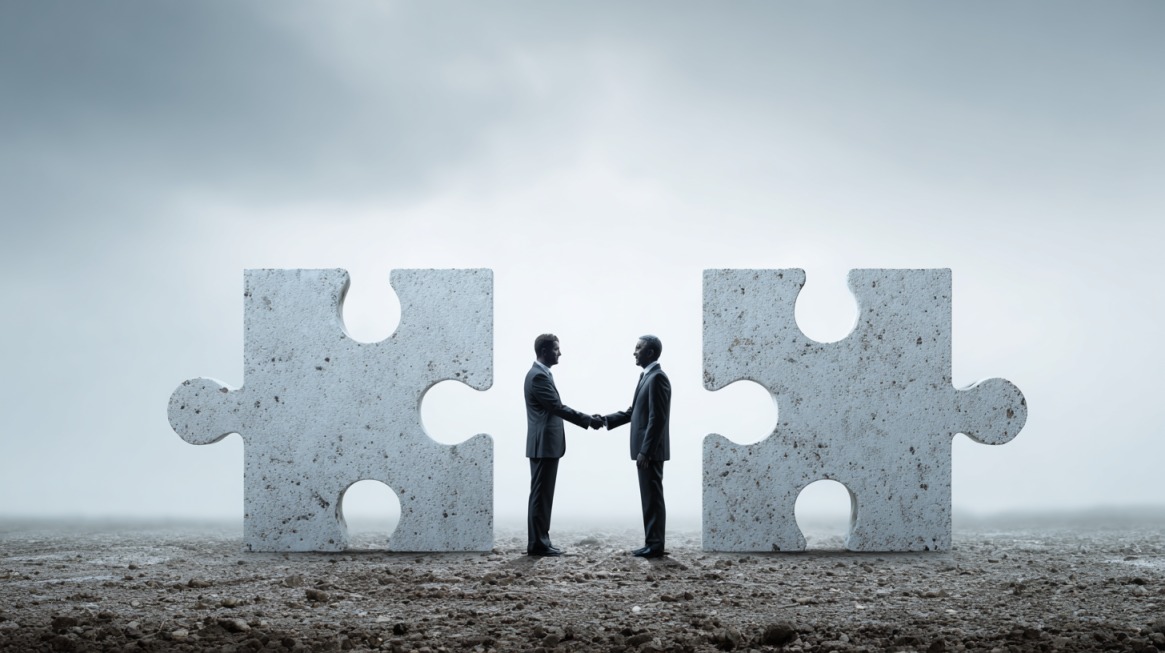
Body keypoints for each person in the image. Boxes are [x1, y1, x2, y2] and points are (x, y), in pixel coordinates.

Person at [525, 333, 604, 557]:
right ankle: (538, 544)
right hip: (544, 445)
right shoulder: (538, 376)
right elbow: (557, 407)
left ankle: (541, 541)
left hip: (544, 445)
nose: (560, 353)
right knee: (541, 496)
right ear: (544, 351)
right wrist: (588, 420)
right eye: (557, 349)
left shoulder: (540, 374)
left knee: (542, 495)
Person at [597, 335, 671, 558]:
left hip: (650, 452)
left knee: (653, 497)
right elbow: (634, 413)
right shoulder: (645, 377)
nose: (634, 352)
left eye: (638, 348)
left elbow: (657, 419)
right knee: (648, 497)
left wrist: (645, 451)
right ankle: (652, 543)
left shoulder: (658, 378)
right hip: (645, 450)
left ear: (650, 352)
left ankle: (655, 545)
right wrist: (606, 420)